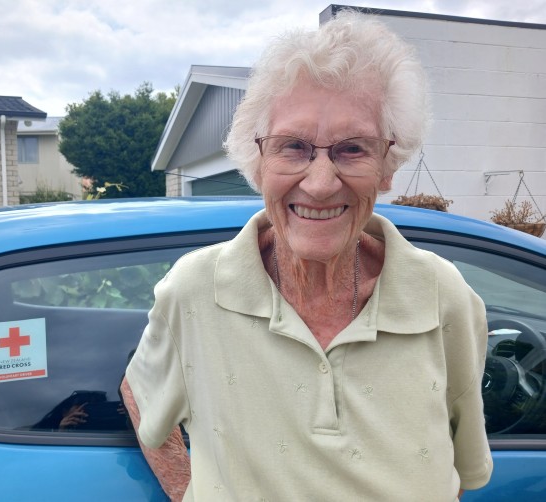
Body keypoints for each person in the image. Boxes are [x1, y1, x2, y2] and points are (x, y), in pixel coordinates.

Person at [121, 9, 493, 501]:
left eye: (352, 149)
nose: (319, 184)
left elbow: (461, 466)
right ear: (259, 163)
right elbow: (140, 392)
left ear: (388, 166)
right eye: (293, 146)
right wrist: (188, 489)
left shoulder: (442, 296)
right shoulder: (196, 290)